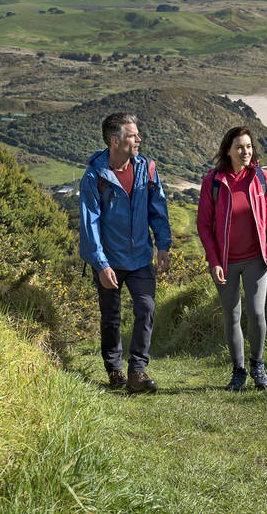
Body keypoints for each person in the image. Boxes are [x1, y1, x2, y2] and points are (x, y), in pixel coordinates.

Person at [80, 113, 172, 393]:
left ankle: (137, 371)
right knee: (111, 316)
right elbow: (89, 223)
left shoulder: (148, 168)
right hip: (109, 261)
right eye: (133, 135)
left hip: (141, 257)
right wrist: (100, 263)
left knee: (146, 308)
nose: (139, 139)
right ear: (115, 140)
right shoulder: (95, 177)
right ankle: (114, 370)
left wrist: (163, 245)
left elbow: (158, 209)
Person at [197, 126, 267, 391]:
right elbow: (204, 225)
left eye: (248, 146)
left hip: (256, 259)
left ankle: (258, 366)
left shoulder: (262, 179)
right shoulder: (213, 181)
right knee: (232, 315)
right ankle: (238, 371)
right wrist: (214, 261)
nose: (245, 151)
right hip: (225, 263)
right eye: (239, 147)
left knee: (257, 312)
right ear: (228, 150)